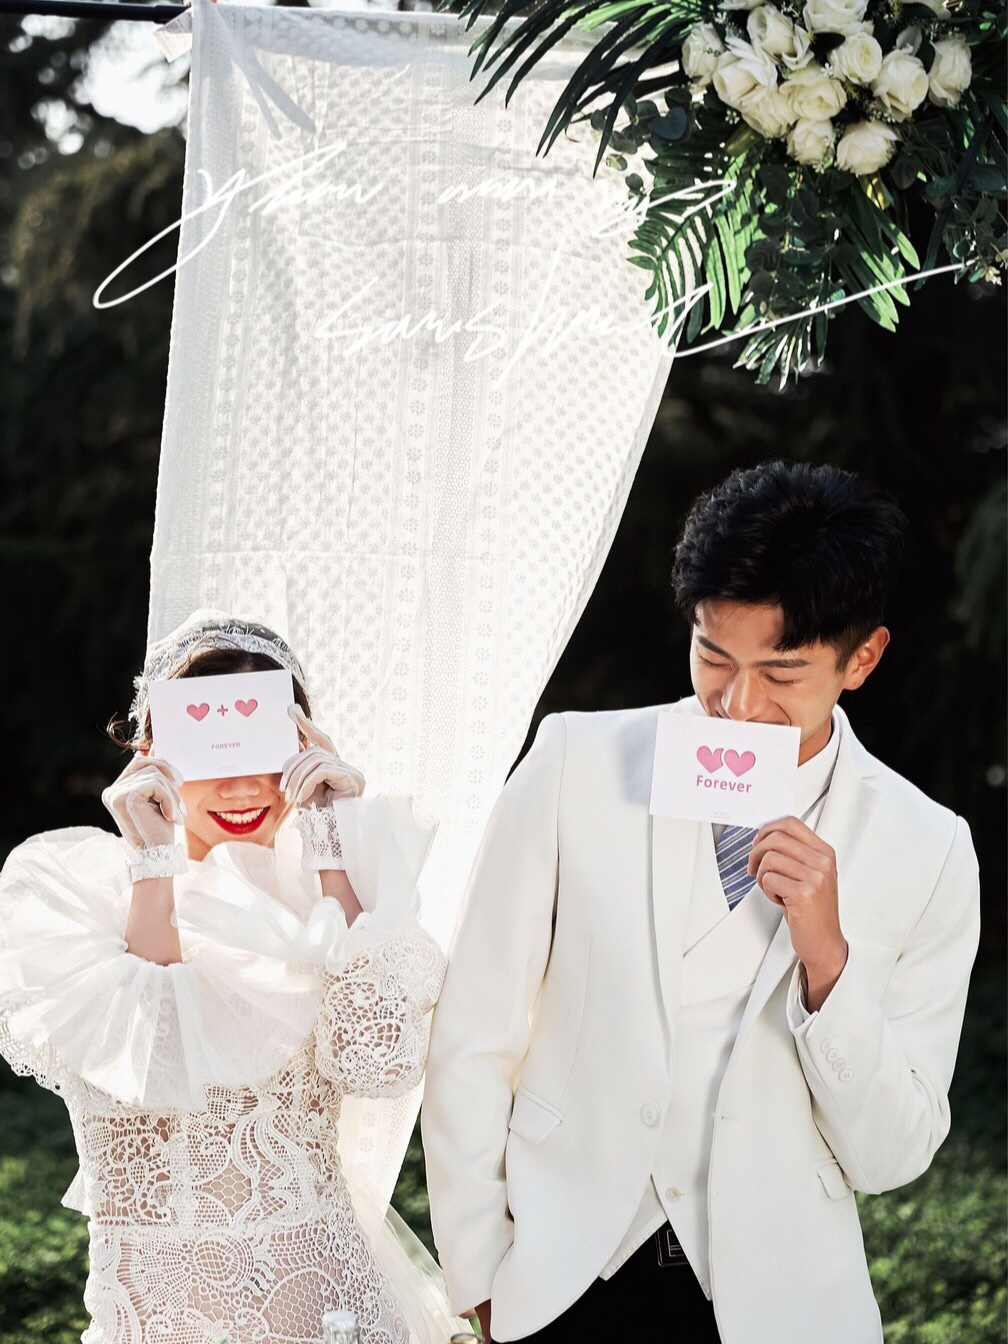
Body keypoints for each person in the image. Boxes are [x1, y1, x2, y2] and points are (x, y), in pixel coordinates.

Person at [421, 461, 982, 1344]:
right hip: (562, 1279)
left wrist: (828, 963)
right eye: (714, 656)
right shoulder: (573, 764)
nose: (737, 703)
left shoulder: (929, 847)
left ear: (862, 658)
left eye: (781, 672)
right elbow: (473, 1033)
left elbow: (894, 1154)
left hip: (782, 1305)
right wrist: (479, 1270)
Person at [0, 610, 464, 1344]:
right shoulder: (74, 901)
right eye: (215, 752)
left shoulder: (330, 898)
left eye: (266, 751)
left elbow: (376, 1064)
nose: (245, 787)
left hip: (332, 1311)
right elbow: (151, 1065)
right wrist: (154, 863)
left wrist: (332, 843)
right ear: (152, 749)